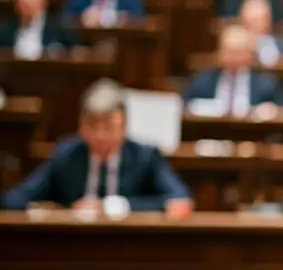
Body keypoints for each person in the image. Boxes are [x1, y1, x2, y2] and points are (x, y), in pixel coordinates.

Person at [2, 78, 192, 215]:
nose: (100, 136)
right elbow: (14, 198)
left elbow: (180, 200)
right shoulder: (67, 154)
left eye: (109, 127)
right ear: (81, 126)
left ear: (124, 127)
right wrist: (53, 210)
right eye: (92, 126)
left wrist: (117, 206)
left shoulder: (144, 155)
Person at [183, 25, 283, 116]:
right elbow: (188, 108)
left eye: (238, 52)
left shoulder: (266, 85)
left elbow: (279, 112)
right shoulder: (202, 82)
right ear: (219, 53)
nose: (233, 58)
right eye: (229, 51)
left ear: (249, 55)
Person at [0, 0, 74, 59]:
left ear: (44, 3)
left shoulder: (59, 28)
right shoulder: (6, 29)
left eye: (32, 0)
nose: (26, 3)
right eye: (23, 1)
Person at [237, 0, 283, 67]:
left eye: (264, 18)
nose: (260, 24)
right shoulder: (236, 48)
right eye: (255, 20)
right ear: (243, 22)